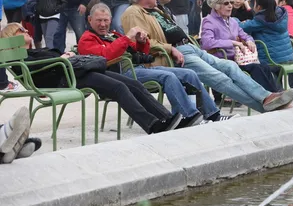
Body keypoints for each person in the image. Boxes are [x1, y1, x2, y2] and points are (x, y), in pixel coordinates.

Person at [122, 0, 293, 113]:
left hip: (190, 47)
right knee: (220, 79)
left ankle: (266, 97)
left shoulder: (156, 10)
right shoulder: (133, 12)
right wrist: (171, 49)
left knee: (230, 67)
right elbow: (142, 40)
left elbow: (242, 32)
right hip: (177, 55)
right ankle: (266, 107)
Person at [1, 22, 183, 134]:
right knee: (118, 88)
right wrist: (60, 59)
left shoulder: (33, 51)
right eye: (21, 30)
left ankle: (166, 118)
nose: (27, 31)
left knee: (132, 83)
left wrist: (64, 57)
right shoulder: (20, 57)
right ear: (11, 37)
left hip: (74, 73)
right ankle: (152, 125)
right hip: (63, 81)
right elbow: (34, 72)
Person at [78, 3, 232, 126]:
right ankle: (189, 117)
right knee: (169, 77)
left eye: (106, 20)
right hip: (120, 74)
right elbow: (106, 56)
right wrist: (126, 38)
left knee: (189, 73)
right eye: (99, 20)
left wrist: (141, 41)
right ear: (90, 20)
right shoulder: (87, 39)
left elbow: (142, 52)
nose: (103, 24)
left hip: (139, 68)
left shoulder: (113, 35)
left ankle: (213, 114)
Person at [201, 0, 283, 95]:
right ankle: (270, 96)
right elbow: (207, 43)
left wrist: (249, 41)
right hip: (222, 60)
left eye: (231, 2)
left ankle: (274, 94)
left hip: (237, 60)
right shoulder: (209, 21)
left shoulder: (232, 21)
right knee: (256, 68)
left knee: (264, 66)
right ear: (216, 6)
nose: (230, 5)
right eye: (226, 3)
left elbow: (245, 35)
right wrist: (232, 42)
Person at [239, 0, 293, 99]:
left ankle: (280, 96)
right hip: (290, 58)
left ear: (258, 6)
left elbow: (241, 27)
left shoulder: (260, 21)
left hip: (271, 61)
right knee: (292, 82)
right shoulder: (281, 15)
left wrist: (234, 20)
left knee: (265, 73)